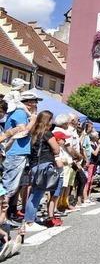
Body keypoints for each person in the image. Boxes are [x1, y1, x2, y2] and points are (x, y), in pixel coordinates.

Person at [1, 91, 40, 225]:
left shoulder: (21, 113)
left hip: (17, 153)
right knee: (9, 186)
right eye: (35, 102)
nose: (36, 105)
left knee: (13, 186)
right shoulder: (20, 113)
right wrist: (33, 120)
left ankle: (5, 217)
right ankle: (3, 218)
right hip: (15, 153)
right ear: (29, 103)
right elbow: (23, 131)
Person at [23, 110, 58, 232]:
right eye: (51, 119)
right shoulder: (47, 134)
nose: (53, 122)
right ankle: (29, 222)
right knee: (37, 194)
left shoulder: (33, 133)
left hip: (34, 165)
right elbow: (56, 149)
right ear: (47, 120)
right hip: (44, 164)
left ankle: (31, 217)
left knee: (34, 192)